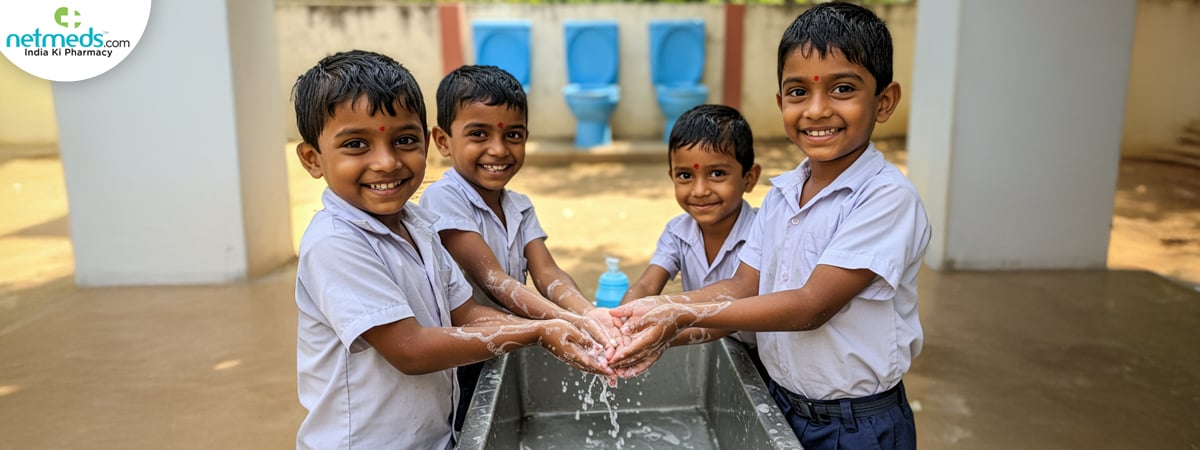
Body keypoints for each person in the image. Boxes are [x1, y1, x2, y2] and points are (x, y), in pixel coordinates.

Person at [608, 3, 931, 449]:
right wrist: (646, 322)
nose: (816, 110)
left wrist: (679, 311)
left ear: (885, 101)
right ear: (780, 102)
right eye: (798, 92)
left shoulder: (885, 198)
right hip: (783, 404)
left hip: (856, 426)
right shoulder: (782, 194)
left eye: (842, 89)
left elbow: (809, 307)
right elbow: (742, 286)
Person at [291, 50, 611, 450]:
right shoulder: (336, 242)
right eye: (357, 144)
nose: (387, 162)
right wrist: (540, 332)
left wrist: (568, 326)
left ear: (424, 142)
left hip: (431, 437)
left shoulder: (417, 225)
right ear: (312, 158)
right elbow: (411, 349)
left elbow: (468, 312)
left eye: (404, 140)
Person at [417, 65, 620, 429]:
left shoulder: (519, 205)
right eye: (478, 134)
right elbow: (494, 278)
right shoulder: (443, 199)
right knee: (473, 424)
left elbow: (548, 273)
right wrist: (564, 322)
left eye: (513, 135)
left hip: (514, 335)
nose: (499, 149)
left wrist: (589, 314)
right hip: (468, 347)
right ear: (443, 141)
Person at [617, 104, 766, 377]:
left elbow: (735, 312)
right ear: (672, 176)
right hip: (708, 354)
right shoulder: (677, 231)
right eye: (686, 176)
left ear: (749, 178)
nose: (700, 190)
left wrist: (662, 332)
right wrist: (622, 326)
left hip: (761, 360)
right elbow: (648, 284)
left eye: (717, 174)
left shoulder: (763, 231)